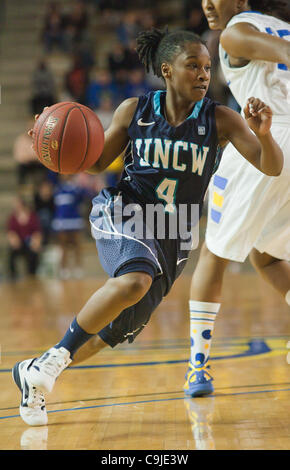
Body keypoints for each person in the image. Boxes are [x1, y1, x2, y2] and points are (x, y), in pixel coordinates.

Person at [12, 27, 283, 426]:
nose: (205, 75)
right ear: (167, 70)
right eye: (193, 66)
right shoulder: (133, 111)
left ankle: (37, 370)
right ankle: (48, 366)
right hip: (126, 210)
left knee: (117, 329)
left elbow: (271, 166)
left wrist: (264, 135)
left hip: (173, 236)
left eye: (208, 67)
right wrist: (48, 142)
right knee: (136, 279)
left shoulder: (221, 120)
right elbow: (94, 162)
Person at [182, 0, 290, 398]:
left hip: (266, 141)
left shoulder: (235, 31)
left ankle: (198, 367)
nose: (208, 3)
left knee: (214, 253)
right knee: (268, 255)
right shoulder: (276, 24)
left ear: (241, 1)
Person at [7, 196, 43, 281]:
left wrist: (36, 241)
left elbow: (37, 231)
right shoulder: (13, 217)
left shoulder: (32, 216)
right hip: (19, 242)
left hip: (30, 242)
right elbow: (11, 232)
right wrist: (14, 240)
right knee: (12, 253)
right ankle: (13, 275)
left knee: (33, 253)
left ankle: (32, 275)